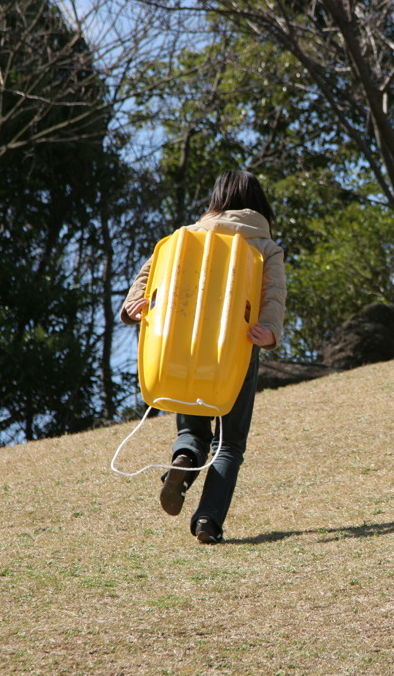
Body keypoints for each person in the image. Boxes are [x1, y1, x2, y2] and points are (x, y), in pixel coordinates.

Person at [120, 171, 287, 544]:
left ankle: (183, 460)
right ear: (259, 204)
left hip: (184, 349)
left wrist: (133, 305)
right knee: (229, 443)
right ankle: (207, 520)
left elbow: (151, 271)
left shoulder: (186, 236)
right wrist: (270, 330)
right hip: (236, 351)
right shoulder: (265, 244)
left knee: (192, 429)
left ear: (217, 199)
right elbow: (273, 292)